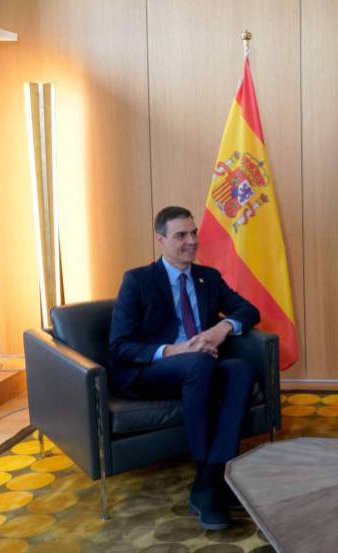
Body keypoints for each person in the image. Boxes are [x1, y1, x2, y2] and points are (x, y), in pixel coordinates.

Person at [109, 206, 259, 530]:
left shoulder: (208, 278)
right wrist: (175, 350)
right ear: (160, 239)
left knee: (242, 370)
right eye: (181, 235)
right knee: (199, 364)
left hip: (201, 364)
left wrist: (223, 329)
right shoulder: (137, 281)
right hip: (153, 371)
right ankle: (210, 480)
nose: (191, 241)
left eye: (194, 233)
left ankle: (210, 477)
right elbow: (120, 346)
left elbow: (249, 310)